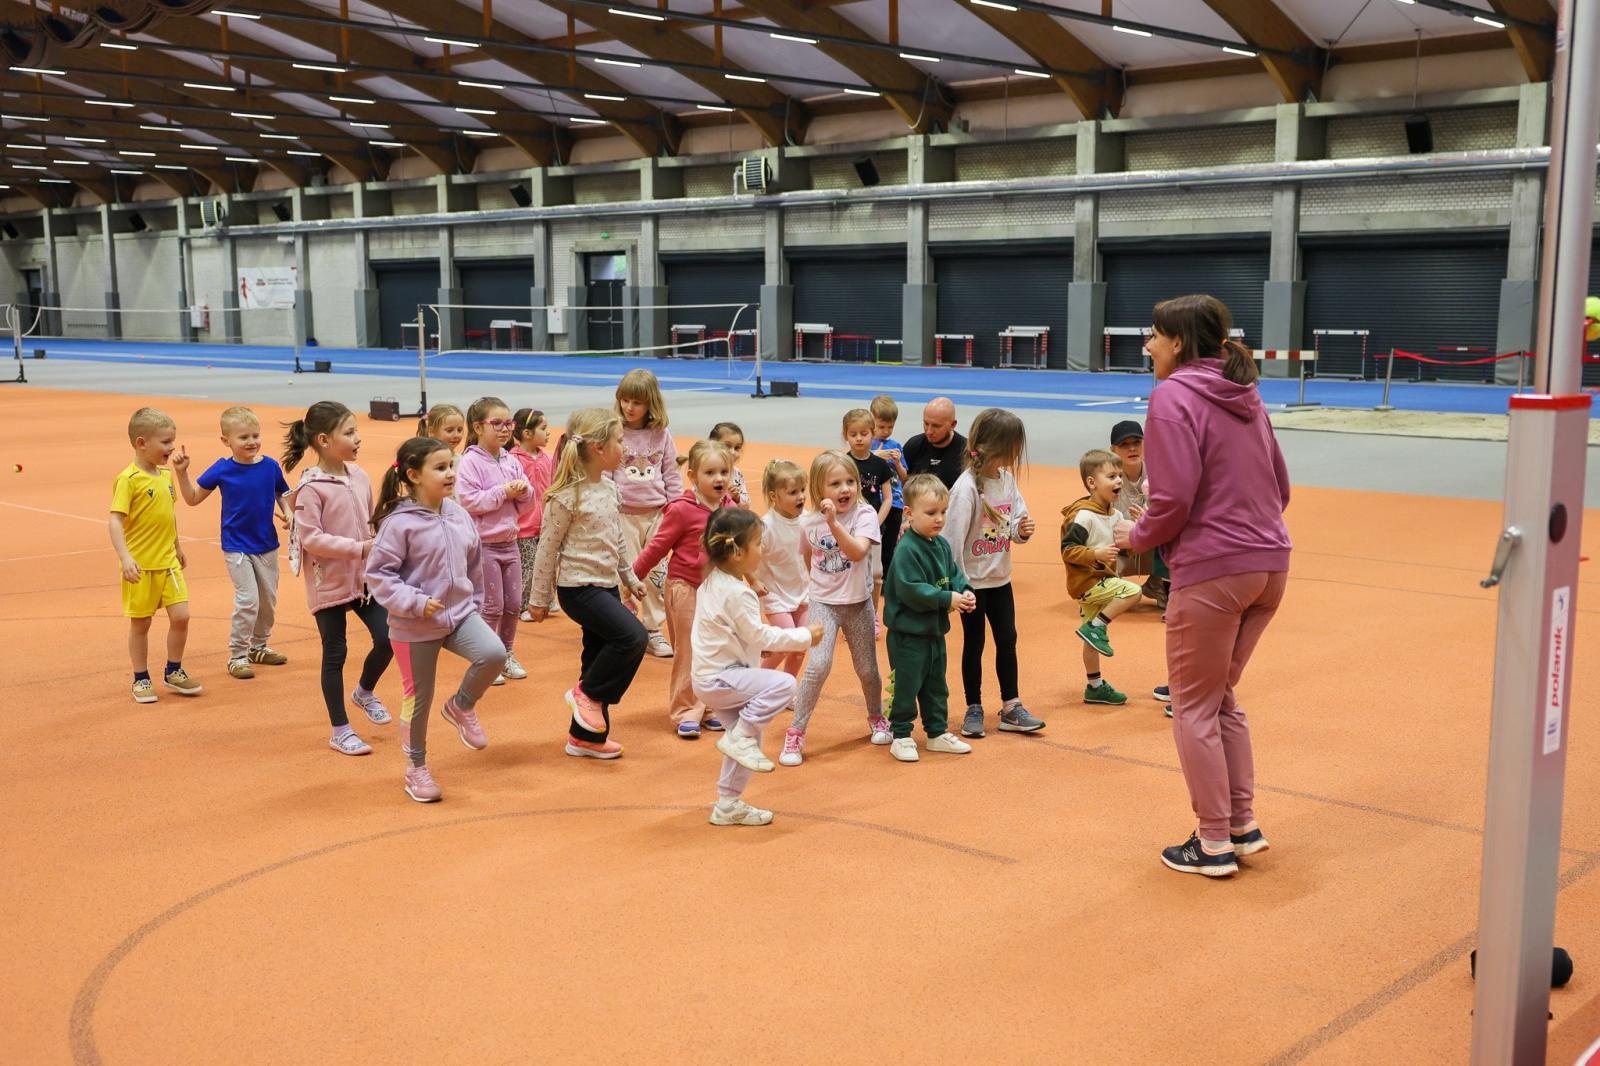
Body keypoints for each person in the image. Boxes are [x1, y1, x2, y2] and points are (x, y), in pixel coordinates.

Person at [1113, 293, 1292, 878]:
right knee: (1219, 699)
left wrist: (1133, 538)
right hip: (1270, 563)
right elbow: (1281, 485)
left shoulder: (1172, 397)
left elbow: (1172, 499)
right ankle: (1241, 823)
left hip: (1214, 569)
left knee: (1191, 706)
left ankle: (1213, 842)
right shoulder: (1248, 393)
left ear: (1179, 344)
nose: (1147, 345)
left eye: (1154, 336)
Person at [366, 437, 508, 803]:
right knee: (418, 700)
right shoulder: (398, 524)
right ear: (413, 475)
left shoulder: (458, 513)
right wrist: (414, 602)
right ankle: (416, 768)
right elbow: (379, 575)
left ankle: (461, 705)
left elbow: (473, 561)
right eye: (440, 468)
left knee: (493, 653)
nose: (450, 474)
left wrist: (473, 602)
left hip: (459, 616)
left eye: (451, 466)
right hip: (414, 626)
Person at [527, 407, 651, 760]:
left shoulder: (610, 488)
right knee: (633, 637)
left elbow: (617, 539)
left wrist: (630, 577)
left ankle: (586, 738)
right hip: (578, 589)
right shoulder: (566, 496)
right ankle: (587, 694)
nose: (624, 448)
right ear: (598, 447)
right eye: (619, 441)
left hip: (606, 584)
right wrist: (538, 600)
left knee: (597, 655)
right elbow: (546, 551)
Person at [692, 508, 825, 826]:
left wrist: (754, 644)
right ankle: (740, 737)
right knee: (784, 685)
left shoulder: (715, 582)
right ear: (737, 552)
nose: (763, 550)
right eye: (759, 544)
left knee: (749, 740)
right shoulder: (739, 593)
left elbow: (732, 631)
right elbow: (758, 632)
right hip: (722, 678)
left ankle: (727, 804)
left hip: (713, 677)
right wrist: (803, 636)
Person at [284, 401, 393, 756]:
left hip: (364, 579)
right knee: (335, 651)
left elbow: (370, 516)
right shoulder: (311, 488)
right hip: (328, 580)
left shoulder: (359, 476)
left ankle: (363, 691)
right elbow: (310, 537)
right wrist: (359, 548)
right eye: (349, 433)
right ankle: (340, 729)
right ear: (324, 440)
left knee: (389, 638)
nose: (358, 439)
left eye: (356, 431)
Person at [943, 408, 1046, 737]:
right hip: (972, 583)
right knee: (974, 643)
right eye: (1014, 445)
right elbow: (950, 543)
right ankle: (973, 707)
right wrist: (958, 587)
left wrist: (1023, 530)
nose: (1018, 452)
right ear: (999, 446)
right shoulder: (966, 489)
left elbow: (1014, 524)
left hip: (1000, 578)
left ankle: (1011, 706)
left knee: (1008, 639)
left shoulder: (1007, 481)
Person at [782, 450, 887, 766]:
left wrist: (834, 524)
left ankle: (876, 716)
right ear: (819, 490)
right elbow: (808, 556)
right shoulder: (808, 522)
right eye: (835, 483)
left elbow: (856, 553)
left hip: (857, 604)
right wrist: (819, 588)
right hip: (823, 604)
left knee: (867, 668)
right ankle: (796, 733)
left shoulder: (864, 516)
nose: (845, 489)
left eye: (850, 481)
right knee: (817, 665)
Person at [171, 405, 291, 681]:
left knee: (268, 602)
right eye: (243, 437)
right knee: (248, 600)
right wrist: (181, 472)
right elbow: (191, 498)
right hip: (236, 546)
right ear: (226, 441)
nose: (251, 442)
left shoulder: (270, 466)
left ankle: (258, 647)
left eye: (255, 435)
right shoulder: (222, 469)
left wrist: (289, 513)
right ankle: (237, 655)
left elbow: (283, 494)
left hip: (267, 545)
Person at [632, 439, 734, 738]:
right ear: (693, 476)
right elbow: (656, 548)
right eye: (711, 473)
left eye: (724, 472)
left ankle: (709, 705)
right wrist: (631, 580)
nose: (719, 479)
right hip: (685, 588)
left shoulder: (730, 507)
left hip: (718, 591)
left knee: (716, 650)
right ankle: (685, 710)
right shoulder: (681, 510)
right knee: (689, 651)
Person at [109, 407, 202, 704]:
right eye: (165, 442)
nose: (171, 447)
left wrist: (178, 546)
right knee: (141, 623)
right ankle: (140, 678)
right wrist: (125, 558)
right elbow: (115, 520)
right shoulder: (129, 479)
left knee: (182, 616)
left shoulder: (165, 475)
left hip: (168, 563)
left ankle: (174, 670)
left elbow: (169, 514)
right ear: (141, 443)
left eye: (172, 440)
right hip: (141, 566)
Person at [883, 474, 977, 763]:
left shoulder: (941, 545)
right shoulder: (907, 550)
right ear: (909, 514)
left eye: (943, 512)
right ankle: (900, 734)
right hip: (908, 635)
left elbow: (954, 573)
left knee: (936, 684)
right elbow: (912, 590)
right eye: (931, 513)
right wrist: (947, 598)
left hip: (934, 632)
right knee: (907, 684)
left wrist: (965, 589)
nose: (939, 519)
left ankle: (936, 732)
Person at [455, 396, 534, 686]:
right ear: (477, 427)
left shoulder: (511, 460)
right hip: (484, 546)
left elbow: (527, 506)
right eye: (496, 423)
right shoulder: (470, 462)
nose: (504, 429)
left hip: (509, 543)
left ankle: (507, 652)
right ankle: (487, 657)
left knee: (513, 604)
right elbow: (470, 501)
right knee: (491, 606)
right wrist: (504, 492)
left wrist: (523, 492)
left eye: (508, 423)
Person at [1060, 449, 1143, 707]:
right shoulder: (1084, 516)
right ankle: (1096, 627)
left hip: (1101, 581)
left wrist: (1139, 530)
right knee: (1133, 592)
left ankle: (1094, 686)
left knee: (1090, 641)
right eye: (1111, 476)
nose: (1119, 481)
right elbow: (1068, 550)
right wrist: (1095, 553)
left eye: (1120, 475)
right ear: (1092, 483)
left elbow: (1127, 548)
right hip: (1088, 582)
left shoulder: (1116, 516)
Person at [611, 368, 681, 659]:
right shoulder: (614, 431)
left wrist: (676, 509)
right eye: (625, 400)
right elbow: (605, 469)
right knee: (624, 571)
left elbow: (672, 472)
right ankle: (622, 625)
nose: (630, 407)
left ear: (650, 403)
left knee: (653, 574)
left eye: (637, 402)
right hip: (622, 514)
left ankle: (653, 629)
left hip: (656, 515)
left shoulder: (661, 434)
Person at [755, 459, 810, 680]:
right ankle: (757, 679)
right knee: (787, 642)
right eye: (793, 492)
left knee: (802, 643)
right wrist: (753, 581)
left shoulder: (808, 520)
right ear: (773, 497)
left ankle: (788, 687)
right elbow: (747, 558)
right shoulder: (764, 526)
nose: (801, 496)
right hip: (774, 593)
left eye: (803, 490)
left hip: (803, 591)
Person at [842, 408, 894, 633]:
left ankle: (873, 615)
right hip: (848, 528)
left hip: (873, 529)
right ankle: (849, 619)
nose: (859, 438)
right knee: (849, 574)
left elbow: (888, 498)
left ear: (872, 434)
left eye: (864, 433)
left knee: (875, 574)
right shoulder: (842, 463)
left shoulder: (880, 465)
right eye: (853, 434)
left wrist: (876, 522)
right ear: (846, 435)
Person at [1109, 420, 1169, 609]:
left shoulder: (1161, 472)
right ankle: (1109, 585)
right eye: (1124, 444)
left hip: (1154, 551)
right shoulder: (1106, 477)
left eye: (1136, 442)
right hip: (1121, 552)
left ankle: (1158, 583)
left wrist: (1149, 521)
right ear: (1112, 450)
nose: (1132, 448)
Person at [510, 408, 557, 620]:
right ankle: (524, 605)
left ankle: (545, 599)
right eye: (543, 428)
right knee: (528, 566)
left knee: (547, 563)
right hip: (524, 525)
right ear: (527, 433)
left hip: (546, 523)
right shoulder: (512, 460)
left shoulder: (546, 458)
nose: (548, 433)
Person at [870, 395, 907, 584]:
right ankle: (871, 577)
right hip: (875, 502)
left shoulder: (896, 446)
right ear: (872, 422)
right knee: (873, 541)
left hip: (896, 502)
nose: (886, 431)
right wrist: (877, 456)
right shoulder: (867, 445)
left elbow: (904, 477)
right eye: (881, 426)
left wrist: (898, 462)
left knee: (890, 545)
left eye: (890, 427)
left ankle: (887, 580)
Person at [901, 397, 967, 490]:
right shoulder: (913, 446)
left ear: (953, 425)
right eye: (926, 423)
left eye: (936, 426)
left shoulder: (967, 453)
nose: (929, 431)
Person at [709, 422, 751, 507]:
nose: (732, 452)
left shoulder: (737, 473)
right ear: (712, 445)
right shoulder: (706, 471)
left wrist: (737, 498)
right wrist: (726, 496)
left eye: (737, 448)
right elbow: (698, 499)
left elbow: (747, 504)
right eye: (727, 446)